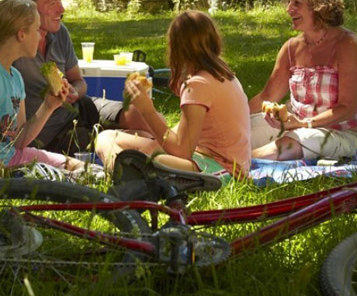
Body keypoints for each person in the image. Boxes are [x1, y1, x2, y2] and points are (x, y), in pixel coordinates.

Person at [10, 0, 156, 154]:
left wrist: (74, 91)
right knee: (133, 143)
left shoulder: (59, 32)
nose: (61, 9)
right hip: (52, 134)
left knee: (140, 115)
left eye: (60, 0)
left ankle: (172, 155)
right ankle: (168, 162)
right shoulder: (14, 47)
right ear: (26, 7)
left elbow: (79, 82)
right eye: (51, 3)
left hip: (80, 108)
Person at [95, 10, 251, 181]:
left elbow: (182, 151)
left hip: (217, 171)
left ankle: (127, 178)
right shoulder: (224, 74)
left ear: (177, 49)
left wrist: (148, 110)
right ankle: (128, 172)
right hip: (232, 165)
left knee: (105, 138)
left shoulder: (197, 85)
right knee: (136, 136)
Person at [0, 0, 87, 175]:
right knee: (64, 178)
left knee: (83, 170)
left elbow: (19, 140)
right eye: (37, 30)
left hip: (12, 158)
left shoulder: (16, 78)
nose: (40, 36)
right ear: (21, 34)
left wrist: (48, 106)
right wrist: (0, 171)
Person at [249, 0, 357, 161]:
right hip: (293, 124)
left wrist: (305, 123)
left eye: (297, 3)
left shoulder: (347, 44)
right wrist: (232, 115)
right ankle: (215, 161)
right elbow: (267, 96)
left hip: (336, 133)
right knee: (239, 130)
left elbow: (348, 107)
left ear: (319, 7)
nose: (288, 9)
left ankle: (232, 166)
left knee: (286, 145)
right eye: (289, 2)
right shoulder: (291, 47)